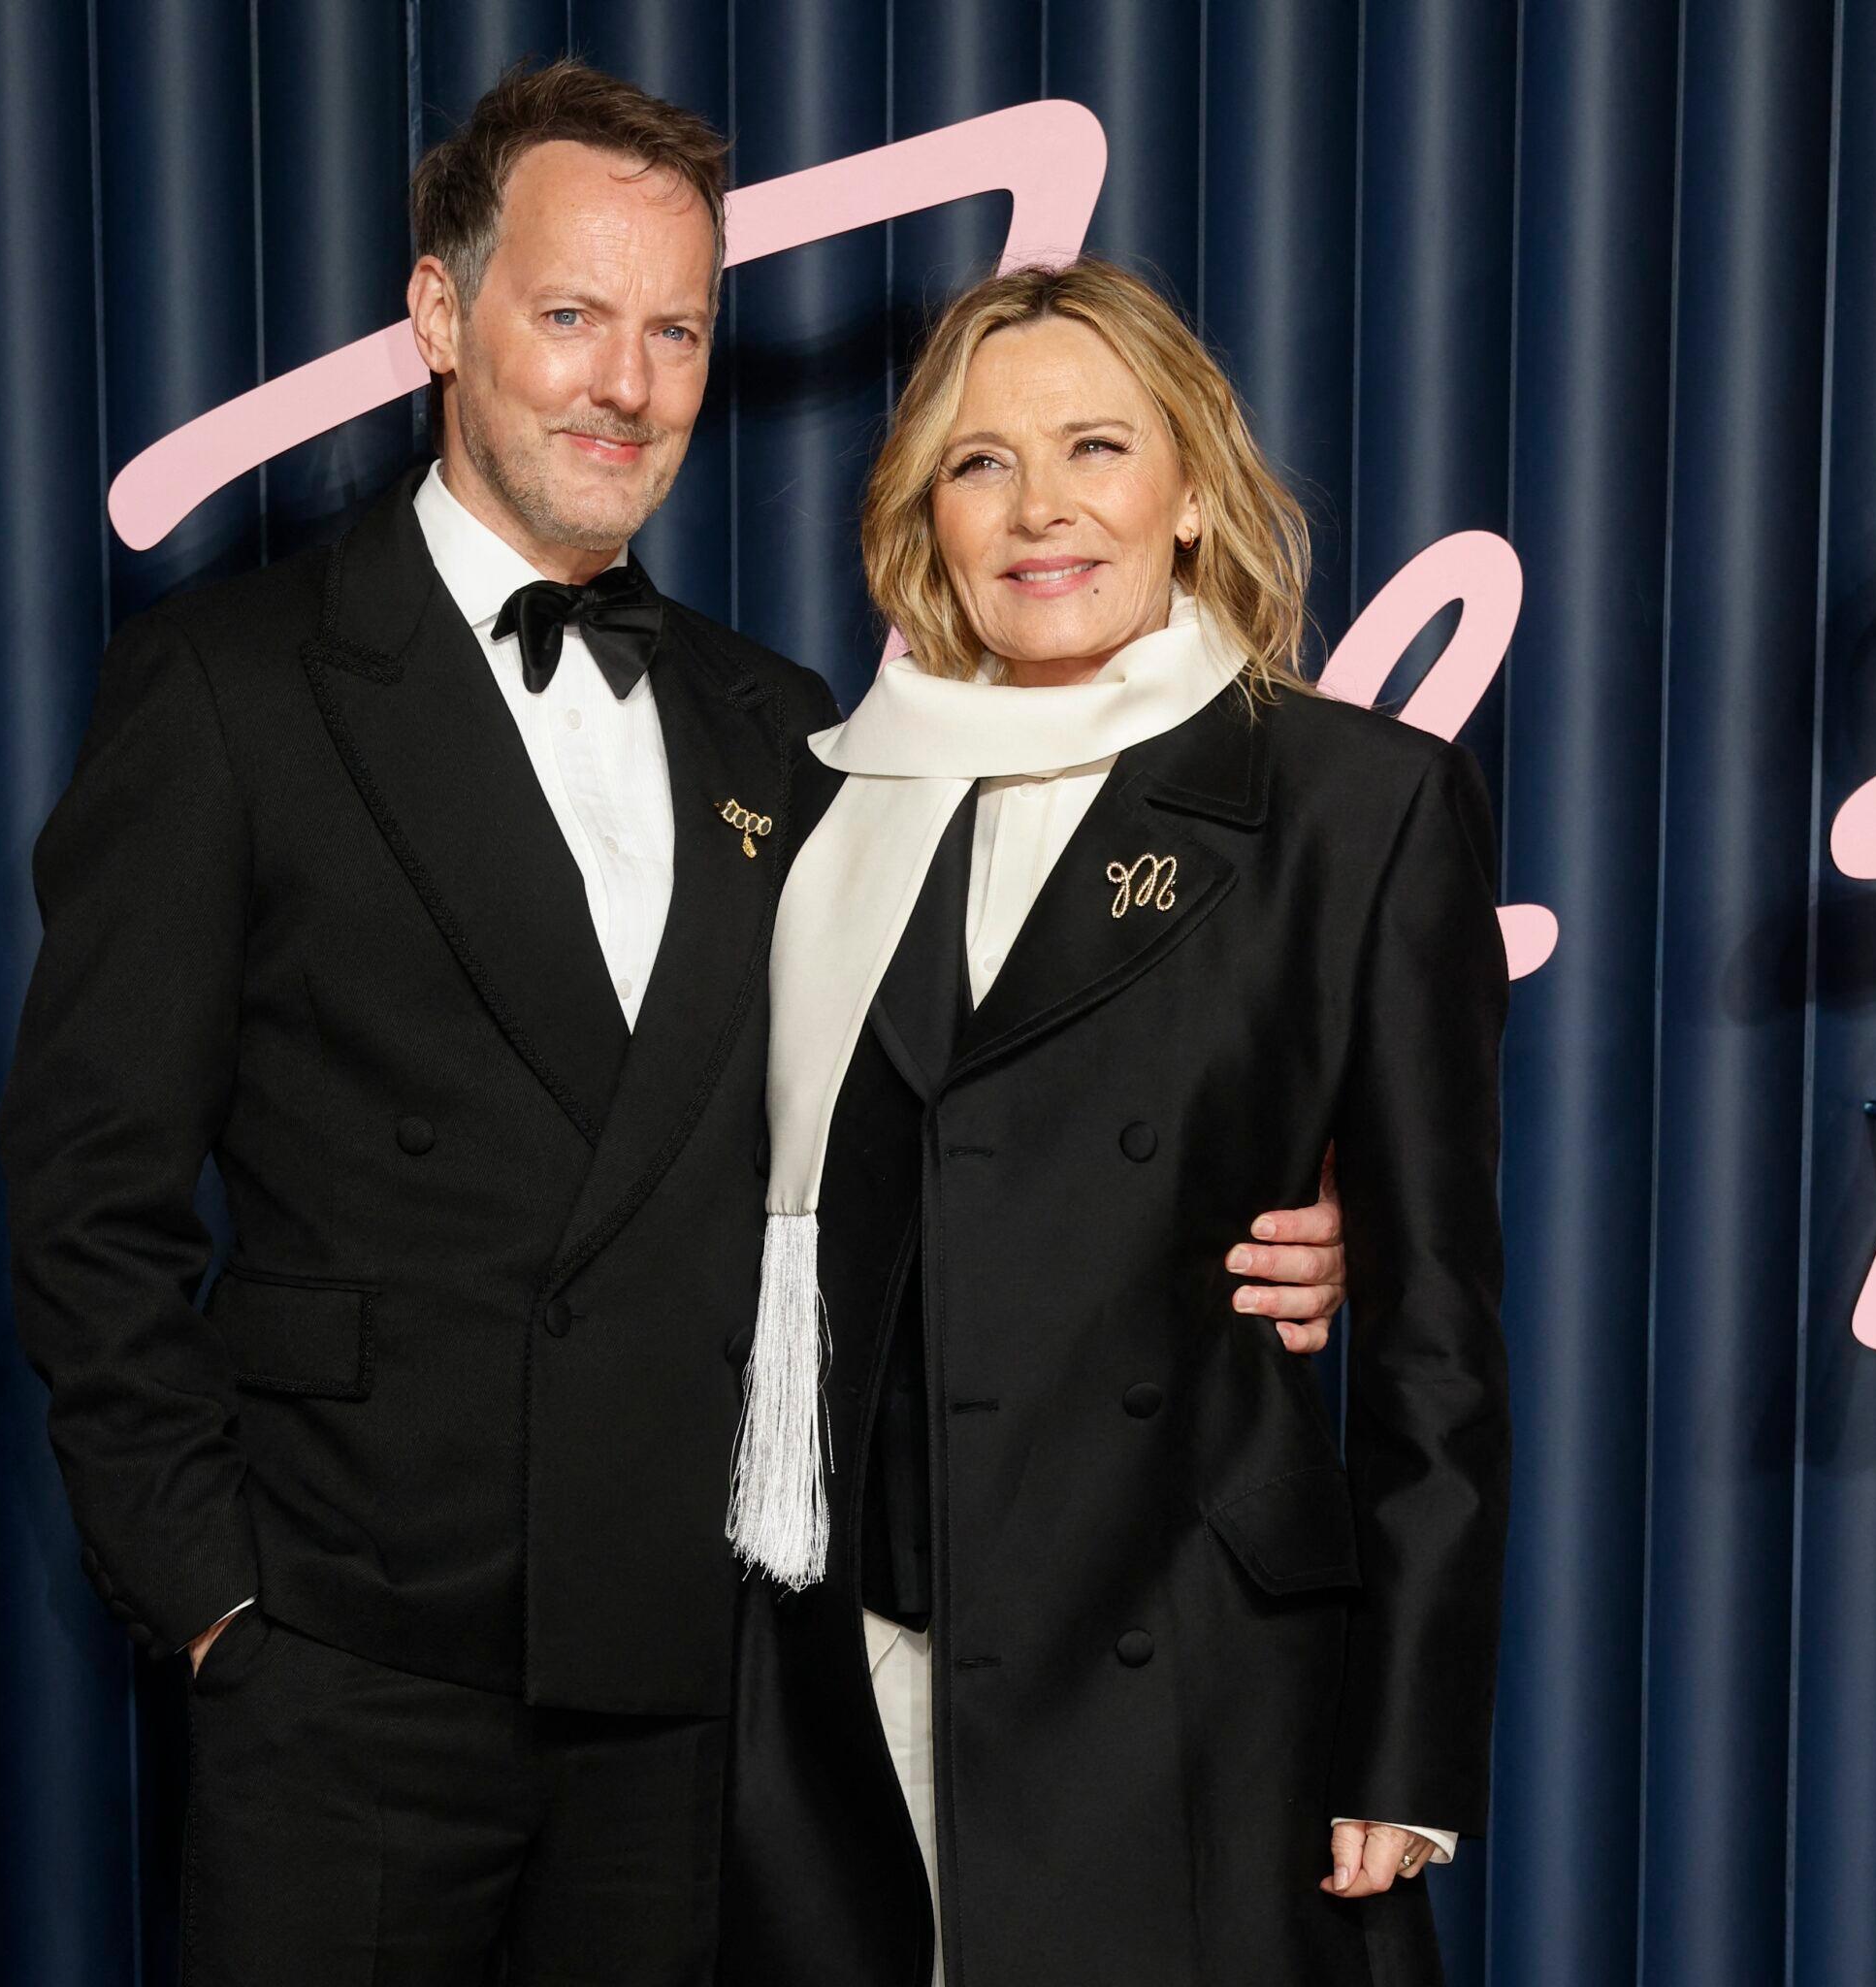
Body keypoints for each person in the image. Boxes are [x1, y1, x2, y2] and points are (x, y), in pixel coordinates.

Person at [0, 62, 1347, 1986]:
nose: (624, 383)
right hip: (347, 1680)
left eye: (673, 329)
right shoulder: (228, 687)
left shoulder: (773, 718)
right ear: (441, 319)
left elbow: (941, 1127)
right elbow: (85, 1198)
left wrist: (1270, 1218)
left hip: (681, 1693)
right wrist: (218, 1604)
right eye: (568, 316)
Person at [718, 256, 1513, 1987]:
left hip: (1196, 1681)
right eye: (981, 461)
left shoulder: (1351, 802)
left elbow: (1439, 1338)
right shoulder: (832, 797)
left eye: (1095, 446)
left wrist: (1412, 1743)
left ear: (1193, 494)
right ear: (927, 513)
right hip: (867, 1673)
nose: (1040, 508)